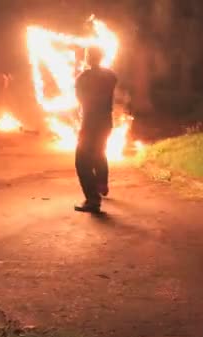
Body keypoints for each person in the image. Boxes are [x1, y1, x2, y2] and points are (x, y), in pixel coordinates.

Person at [74, 47, 117, 213]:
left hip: (90, 123)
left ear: (88, 58)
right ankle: (102, 184)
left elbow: (80, 99)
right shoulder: (111, 76)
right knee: (99, 152)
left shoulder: (83, 78)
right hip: (106, 122)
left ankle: (92, 199)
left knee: (82, 161)